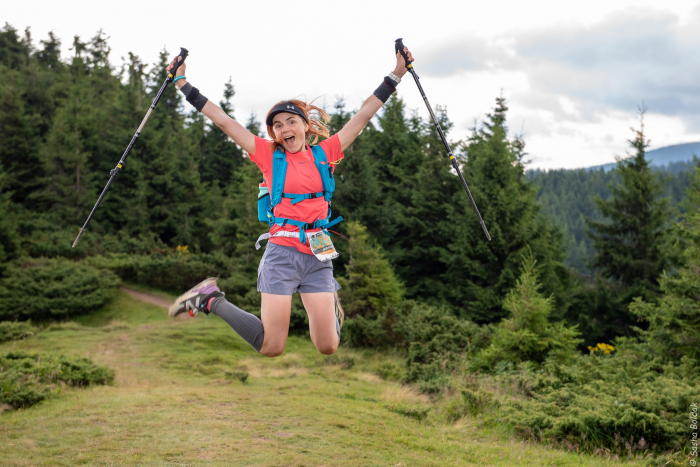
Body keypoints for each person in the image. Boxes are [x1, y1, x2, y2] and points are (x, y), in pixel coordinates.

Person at [166, 46, 414, 357]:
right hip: (282, 254)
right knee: (272, 347)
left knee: (327, 346)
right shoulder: (268, 156)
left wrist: (397, 74)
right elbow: (225, 122)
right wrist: (182, 83)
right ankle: (210, 299)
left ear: (306, 126)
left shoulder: (327, 153)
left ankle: (330, 302)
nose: (284, 129)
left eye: (290, 122)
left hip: (318, 255)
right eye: (277, 125)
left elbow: (364, 115)